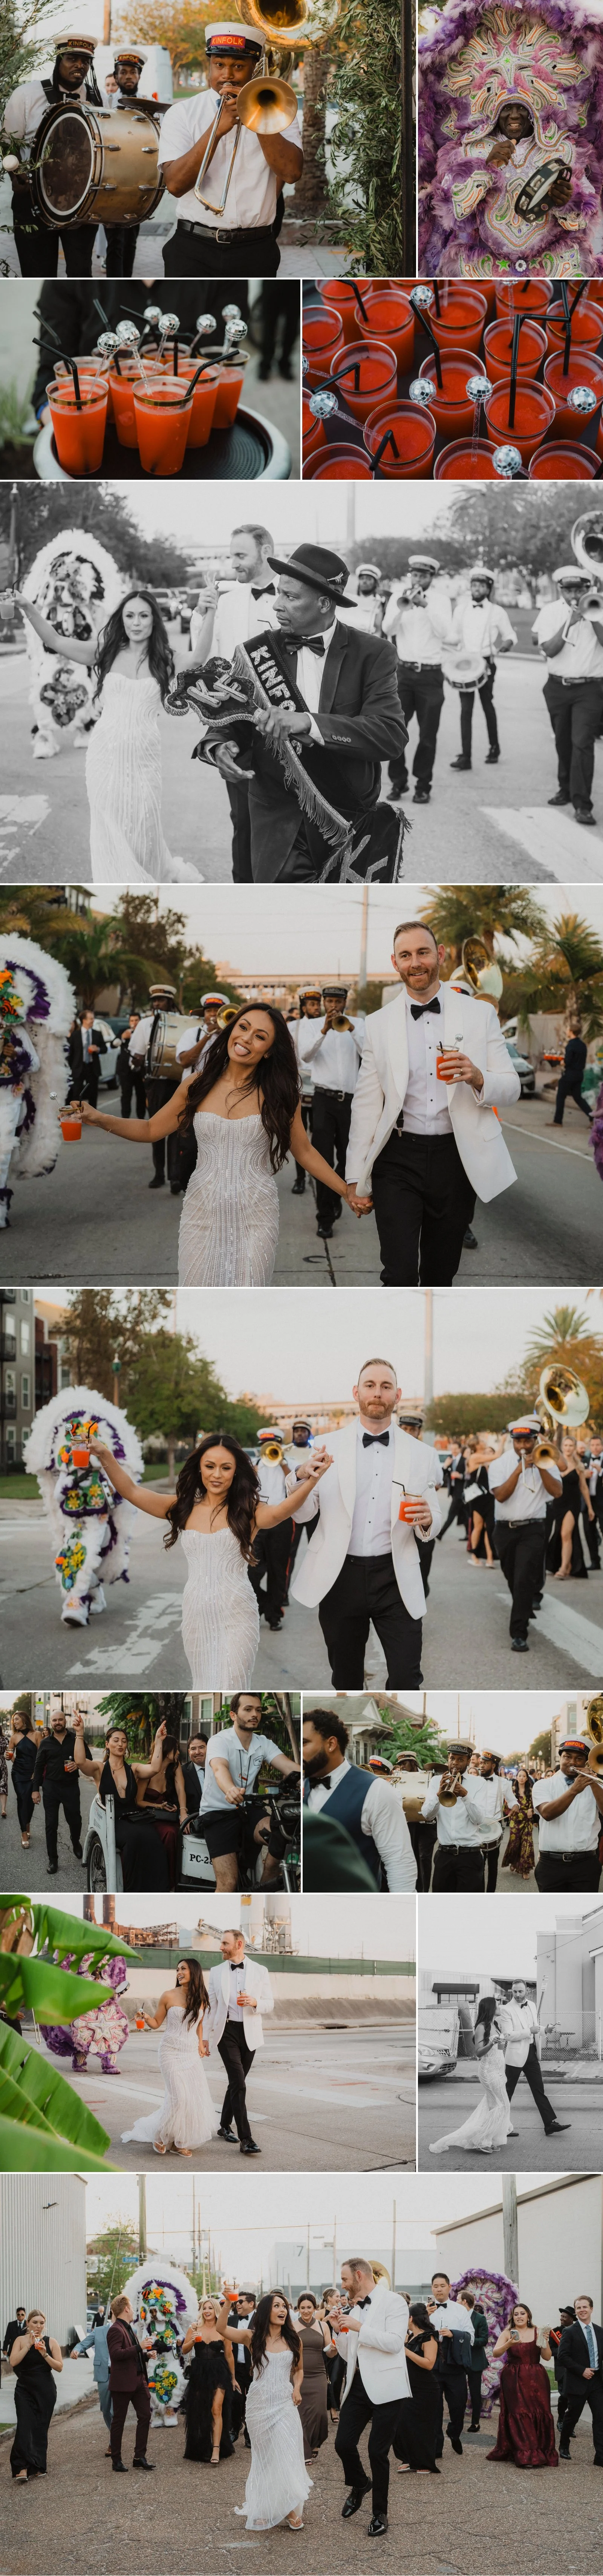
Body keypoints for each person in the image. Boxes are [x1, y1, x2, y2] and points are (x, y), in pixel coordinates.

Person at [80, 1001, 357, 1285]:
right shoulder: (196, 1085)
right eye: (243, 1028)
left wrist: (345, 1191)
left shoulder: (282, 1094)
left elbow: (305, 1151)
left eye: (260, 1036)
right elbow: (152, 1129)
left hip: (256, 1216)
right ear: (232, 1029)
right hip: (202, 1213)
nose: (246, 1039)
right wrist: (100, 1118)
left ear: (270, 1051)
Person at [200, 543, 408, 884]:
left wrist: (309, 722)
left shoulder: (374, 654)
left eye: (291, 597)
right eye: (279, 593)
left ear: (325, 603)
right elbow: (230, 722)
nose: (277, 604)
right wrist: (219, 746)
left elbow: (390, 735)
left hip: (347, 819)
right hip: (276, 821)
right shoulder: (255, 653)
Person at [346, 919, 520, 1285]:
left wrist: (476, 1076)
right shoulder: (376, 1024)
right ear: (395, 963)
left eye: (423, 952)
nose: (416, 962)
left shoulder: (480, 1014)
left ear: (439, 955)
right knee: (400, 1272)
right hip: (396, 1159)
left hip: (455, 1159)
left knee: (441, 1275)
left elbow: (512, 1088)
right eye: (405, 955)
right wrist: (353, 1176)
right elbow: (365, 1105)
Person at [87, 1430, 330, 1688]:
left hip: (238, 1613)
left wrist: (311, 1482)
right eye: (210, 1466)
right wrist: (103, 1453)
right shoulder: (183, 1508)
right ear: (200, 1468)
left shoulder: (249, 1510)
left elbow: (282, 1512)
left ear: (236, 1471)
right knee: (204, 1684)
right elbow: (132, 1492)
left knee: (234, 1684)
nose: (217, 1475)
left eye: (226, 1468)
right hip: (196, 1613)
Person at [12, 588, 197, 884]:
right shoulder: (106, 652)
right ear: (122, 620)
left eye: (143, 616)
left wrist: (210, 611)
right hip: (105, 758)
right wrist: (26, 606)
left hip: (145, 761)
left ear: (154, 621)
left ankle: (146, 891)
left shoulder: (166, 659)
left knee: (143, 828)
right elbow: (55, 641)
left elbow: (200, 657)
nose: (136, 623)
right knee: (110, 832)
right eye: (130, 616)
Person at [291, 1356, 440, 1688]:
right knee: (345, 1680)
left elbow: (434, 1512)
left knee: (407, 1677)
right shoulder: (325, 1446)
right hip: (340, 1576)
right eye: (370, 1386)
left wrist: (429, 1520)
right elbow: (303, 1514)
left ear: (397, 1395)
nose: (378, 1393)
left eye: (386, 1387)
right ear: (357, 1392)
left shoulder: (422, 1454)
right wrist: (300, 1478)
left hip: (396, 1577)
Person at [158, 22, 303, 279]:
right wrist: (217, 129)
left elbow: (292, 172)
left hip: (255, 248)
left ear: (254, 68)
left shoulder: (279, 110)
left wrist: (259, 119)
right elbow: (176, 185)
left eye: (238, 66)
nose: (227, 75)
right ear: (209, 66)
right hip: (193, 248)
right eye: (219, 65)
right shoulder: (181, 113)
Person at [188, 526, 280, 883]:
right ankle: (244, 884)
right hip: (236, 725)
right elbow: (204, 660)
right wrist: (202, 614)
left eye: (240, 556)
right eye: (232, 556)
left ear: (266, 552)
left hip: (284, 721)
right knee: (243, 820)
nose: (233, 564)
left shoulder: (291, 598)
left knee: (286, 817)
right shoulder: (225, 602)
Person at [3, 35, 102, 278]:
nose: (80, 65)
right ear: (59, 60)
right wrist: (16, 176)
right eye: (73, 59)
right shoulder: (27, 94)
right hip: (33, 200)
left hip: (81, 204)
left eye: (86, 61)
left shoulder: (99, 99)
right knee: (37, 272)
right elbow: (8, 142)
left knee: (81, 273)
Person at [216, 2287, 311, 2531]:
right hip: (259, 2404)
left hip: (284, 2403)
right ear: (267, 2310)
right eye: (277, 2306)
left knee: (285, 2454)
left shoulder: (294, 2339)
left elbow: (299, 2370)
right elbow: (222, 2329)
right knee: (267, 2459)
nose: (282, 2310)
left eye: (284, 2306)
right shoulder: (252, 2337)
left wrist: (297, 2388)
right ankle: (263, 2507)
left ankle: (290, 2509)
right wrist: (228, 2302)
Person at [331, 2257, 410, 2539]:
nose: (343, 2285)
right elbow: (347, 2354)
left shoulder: (395, 2302)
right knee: (342, 2444)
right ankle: (361, 2483)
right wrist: (338, 2330)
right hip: (359, 2386)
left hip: (388, 2387)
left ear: (360, 2276)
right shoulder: (354, 2309)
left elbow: (394, 2343)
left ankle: (380, 2514)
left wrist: (359, 2327)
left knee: (378, 2452)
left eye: (345, 2280)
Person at [303, 1709, 416, 1892]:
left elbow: (399, 1862)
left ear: (331, 1744)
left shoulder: (378, 1791)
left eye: (305, 1743)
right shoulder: (303, 1785)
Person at [199, 1694, 300, 1893]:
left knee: (282, 1833)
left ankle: (263, 1890)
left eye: (259, 1710)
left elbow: (290, 1767)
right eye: (248, 1709)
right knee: (228, 1884)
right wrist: (230, 1789)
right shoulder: (220, 1741)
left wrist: (313, 1782)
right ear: (233, 1715)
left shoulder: (263, 1743)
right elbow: (220, 1769)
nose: (255, 1714)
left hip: (248, 1810)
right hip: (218, 1814)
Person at [122, 1956, 214, 2157]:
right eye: (177, 1970)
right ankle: (161, 2135)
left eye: (184, 1969)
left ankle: (180, 2141)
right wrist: (145, 2017)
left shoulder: (203, 1998)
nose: (179, 1972)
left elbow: (199, 2024)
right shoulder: (168, 1996)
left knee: (190, 2099)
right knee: (179, 2097)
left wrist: (200, 2044)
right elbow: (156, 2024)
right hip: (170, 2052)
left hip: (190, 2054)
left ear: (195, 1972)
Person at [533, 565, 603, 829]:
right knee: (563, 741)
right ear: (561, 590)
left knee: (582, 743)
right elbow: (549, 651)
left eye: (580, 589)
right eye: (569, 589)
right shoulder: (550, 612)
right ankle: (565, 788)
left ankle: (583, 804)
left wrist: (593, 617)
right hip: (558, 687)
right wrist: (569, 623)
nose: (574, 594)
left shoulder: (600, 607)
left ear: (588, 589)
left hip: (590, 688)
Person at [295, 987, 365, 1242]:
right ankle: (325, 1218)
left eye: (338, 1001)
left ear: (346, 1002)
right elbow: (305, 1056)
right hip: (324, 1099)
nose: (333, 1006)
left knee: (350, 1158)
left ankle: (335, 1196)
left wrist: (352, 1030)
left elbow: (370, 1052)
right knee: (323, 1159)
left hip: (351, 1102)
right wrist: (324, 1030)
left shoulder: (357, 1023)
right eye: (330, 1001)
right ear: (324, 1003)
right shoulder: (313, 1025)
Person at [488, 1415, 563, 1653]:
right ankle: (523, 1607)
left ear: (535, 1440)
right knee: (513, 1577)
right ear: (512, 1441)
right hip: (505, 1530)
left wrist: (540, 1468)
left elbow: (558, 1492)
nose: (523, 1446)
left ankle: (519, 1633)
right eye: (518, 1441)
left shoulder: (547, 1460)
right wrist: (520, 1471)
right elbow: (500, 1495)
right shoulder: (500, 1464)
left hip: (533, 1529)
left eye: (527, 1441)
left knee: (522, 1579)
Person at [72, 1717, 172, 1892]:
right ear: (108, 1744)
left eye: (124, 1741)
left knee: (155, 1842)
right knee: (134, 1841)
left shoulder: (133, 1769)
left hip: (136, 1817)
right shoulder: (99, 1769)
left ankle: (157, 1889)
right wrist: (79, 1733)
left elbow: (155, 1769)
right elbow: (81, 1762)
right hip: (112, 1821)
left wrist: (158, 1741)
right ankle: (133, 1889)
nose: (121, 1744)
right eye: (116, 1740)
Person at [383, 557, 452, 806]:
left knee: (428, 735)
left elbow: (446, 633)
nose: (418, 580)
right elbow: (388, 629)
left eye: (423, 576)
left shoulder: (441, 601)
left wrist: (426, 606)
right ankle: (398, 781)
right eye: (415, 575)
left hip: (432, 675)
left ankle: (423, 786)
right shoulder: (397, 598)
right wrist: (403, 609)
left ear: (432, 578)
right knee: (396, 729)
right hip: (404, 673)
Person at [205, 1925, 274, 2156]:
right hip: (226, 2033)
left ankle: (224, 2126)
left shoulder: (260, 1970)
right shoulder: (216, 1972)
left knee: (237, 2082)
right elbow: (212, 2008)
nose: (221, 1947)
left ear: (239, 1945)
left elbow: (269, 2003)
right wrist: (205, 2038)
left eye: (225, 1944)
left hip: (250, 2033)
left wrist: (254, 2002)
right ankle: (247, 2138)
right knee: (239, 2083)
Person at [448, 567, 516, 772]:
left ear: (489, 588)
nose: (477, 589)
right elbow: (453, 635)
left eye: (481, 586)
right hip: (465, 663)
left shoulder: (497, 612)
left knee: (488, 706)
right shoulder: (461, 609)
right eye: (474, 585)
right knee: (466, 710)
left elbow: (511, 635)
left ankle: (494, 748)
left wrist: (506, 644)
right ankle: (466, 756)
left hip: (487, 662)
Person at [429, 1993, 512, 2158]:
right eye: (497, 2004)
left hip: (498, 2069)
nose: (500, 2007)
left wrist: (502, 2044)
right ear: (491, 2008)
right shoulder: (482, 2027)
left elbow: (499, 2052)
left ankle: (489, 2140)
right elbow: (479, 2053)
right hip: (488, 2071)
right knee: (502, 2106)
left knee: (494, 2106)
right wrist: (491, 2043)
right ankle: (482, 2140)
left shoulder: (495, 2024)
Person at [126, 983, 183, 1194]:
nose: (157, 1004)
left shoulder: (183, 1023)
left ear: (170, 1002)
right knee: (157, 1129)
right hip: (156, 1084)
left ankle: (176, 1176)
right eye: (155, 1001)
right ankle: (159, 1173)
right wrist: (138, 1062)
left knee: (177, 1129)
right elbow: (136, 1056)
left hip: (178, 1082)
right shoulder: (145, 1024)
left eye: (162, 1000)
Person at [498, 1977, 569, 2140]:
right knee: (507, 2093)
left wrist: (547, 2030)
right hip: (515, 2056)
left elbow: (536, 2027)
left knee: (539, 2090)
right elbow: (508, 2035)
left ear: (526, 1991)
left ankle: (550, 2124)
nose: (517, 1994)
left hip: (532, 2053)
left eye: (520, 1991)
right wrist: (529, 2030)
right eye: (515, 1991)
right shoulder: (507, 2010)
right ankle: (500, 2127)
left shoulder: (532, 2005)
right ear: (512, 1991)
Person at [487, 2303, 557, 2469]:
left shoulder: (538, 2331)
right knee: (519, 2413)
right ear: (513, 2317)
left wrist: (545, 2342)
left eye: (523, 2313)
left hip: (537, 2378)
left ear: (528, 2316)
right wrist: (509, 2344)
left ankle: (541, 2451)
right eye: (516, 2314)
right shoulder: (507, 2333)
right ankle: (525, 2453)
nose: (520, 2316)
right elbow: (496, 2353)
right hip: (513, 2378)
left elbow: (547, 2357)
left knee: (539, 2411)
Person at [531, 1735, 603, 1893]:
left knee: (585, 1915)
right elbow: (547, 1814)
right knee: (552, 1914)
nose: (572, 1762)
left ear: (586, 1762)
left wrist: (594, 1782)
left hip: (586, 1864)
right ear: (560, 1759)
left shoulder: (596, 1786)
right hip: (551, 1864)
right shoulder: (543, 1785)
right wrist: (574, 1790)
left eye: (579, 1758)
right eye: (567, 1757)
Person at [419, 1742, 488, 1894]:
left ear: (469, 1761)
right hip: (444, 1855)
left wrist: (465, 1795)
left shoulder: (479, 1783)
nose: (455, 1763)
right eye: (452, 1758)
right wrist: (439, 1795)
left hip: (470, 1856)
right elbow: (427, 1815)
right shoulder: (437, 1781)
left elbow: (479, 1820)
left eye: (461, 1760)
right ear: (448, 1759)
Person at [102, 51, 147, 276]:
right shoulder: (106, 103)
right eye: (123, 73)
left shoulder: (148, 104)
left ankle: (126, 279)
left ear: (139, 75)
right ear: (116, 76)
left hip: (138, 181)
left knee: (131, 241)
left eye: (133, 72)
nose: (128, 77)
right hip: (112, 179)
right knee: (115, 243)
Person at [31, 1706, 91, 1875]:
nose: (58, 1723)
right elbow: (38, 1766)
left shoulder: (76, 1739)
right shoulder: (45, 1743)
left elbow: (89, 1759)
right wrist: (36, 1789)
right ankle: (53, 1860)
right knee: (51, 1825)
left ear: (66, 1721)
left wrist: (77, 1764)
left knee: (76, 1820)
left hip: (71, 1786)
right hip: (51, 1787)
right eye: (55, 1720)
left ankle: (75, 1841)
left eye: (61, 1720)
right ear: (51, 1723)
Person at [8, 2310, 63, 2482]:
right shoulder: (20, 2340)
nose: (38, 2326)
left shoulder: (51, 2342)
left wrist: (45, 2354)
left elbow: (60, 2367)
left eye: (41, 2323)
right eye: (35, 2323)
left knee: (40, 2428)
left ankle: (38, 2465)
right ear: (28, 2323)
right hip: (24, 2390)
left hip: (46, 2391)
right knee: (25, 2426)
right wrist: (29, 2345)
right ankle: (22, 2467)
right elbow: (13, 2362)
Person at [181, 2298, 237, 2462]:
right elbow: (184, 2350)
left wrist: (233, 2378)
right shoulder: (194, 2327)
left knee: (216, 2409)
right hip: (199, 2372)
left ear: (216, 2311)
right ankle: (202, 2446)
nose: (207, 2311)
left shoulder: (223, 2330)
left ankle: (216, 2449)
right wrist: (192, 2340)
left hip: (219, 2371)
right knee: (200, 2410)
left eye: (211, 2308)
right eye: (204, 2308)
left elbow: (229, 2355)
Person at [136, 1729, 189, 1888]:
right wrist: (159, 1806)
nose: (179, 1752)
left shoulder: (175, 1767)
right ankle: (162, 1881)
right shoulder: (149, 1770)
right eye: (176, 1749)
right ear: (167, 1751)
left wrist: (183, 1812)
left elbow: (181, 1790)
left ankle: (176, 1881)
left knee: (179, 1832)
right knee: (168, 1834)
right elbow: (138, 1801)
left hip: (168, 1817)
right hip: (149, 1816)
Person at [428, 2274, 474, 2456]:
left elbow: (470, 2336)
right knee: (434, 2408)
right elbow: (412, 2333)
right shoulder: (425, 2311)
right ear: (432, 2289)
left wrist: (453, 2334)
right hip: (433, 2363)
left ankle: (455, 2433)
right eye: (435, 2286)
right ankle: (436, 2445)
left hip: (455, 2365)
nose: (439, 2289)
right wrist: (425, 2319)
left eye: (442, 2286)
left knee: (458, 2406)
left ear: (449, 2287)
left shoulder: (460, 2310)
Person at [107, 2294, 153, 2473]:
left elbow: (132, 2353)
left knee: (146, 2416)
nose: (133, 2310)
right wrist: (139, 2347)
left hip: (139, 2381)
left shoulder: (130, 2329)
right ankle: (116, 2460)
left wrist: (146, 2355)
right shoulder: (116, 2330)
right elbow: (116, 2355)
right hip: (123, 2383)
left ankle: (139, 2457)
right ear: (126, 2308)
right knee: (119, 2421)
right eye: (132, 2307)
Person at [394, 2302, 440, 2473]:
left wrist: (406, 2352)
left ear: (411, 2318)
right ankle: (409, 2459)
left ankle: (424, 2463)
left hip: (426, 2390)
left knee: (423, 2427)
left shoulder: (430, 2337)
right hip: (408, 2387)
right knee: (404, 2424)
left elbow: (429, 2364)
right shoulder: (410, 2337)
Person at [558, 2295, 603, 2464]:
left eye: (585, 2307)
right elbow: (563, 2357)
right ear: (576, 2312)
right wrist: (581, 2370)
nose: (582, 2310)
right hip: (578, 2381)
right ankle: (564, 2445)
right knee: (573, 2416)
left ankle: (600, 2456)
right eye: (579, 2308)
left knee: (600, 2418)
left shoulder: (600, 2331)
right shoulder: (569, 2331)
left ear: (592, 2309)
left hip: (597, 2382)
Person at [295, 2295, 335, 2463]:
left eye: (309, 2308)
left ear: (315, 2308)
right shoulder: (291, 2326)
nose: (306, 2311)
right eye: (302, 2308)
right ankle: (304, 2452)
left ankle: (315, 2442)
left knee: (320, 2413)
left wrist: (334, 2348)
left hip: (319, 2373)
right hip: (298, 2373)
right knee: (301, 2413)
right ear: (298, 2309)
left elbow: (330, 2353)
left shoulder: (323, 2325)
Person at [546, 1440, 593, 1580]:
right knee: (560, 1534)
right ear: (562, 1447)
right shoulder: (554, 1464)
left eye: (571, 1446)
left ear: (575, 1448)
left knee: (566, 1534)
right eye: (565, 1445)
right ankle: (568, 1564)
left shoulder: (579, 1466)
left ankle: (564, 1567)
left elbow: (584, 1488)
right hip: (558, 1503)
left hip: (573, 1504)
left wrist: (590, 1508)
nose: (568, 1448)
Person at [473, 1749, 519, 1893]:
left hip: (495, 1827)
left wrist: (515, 1806)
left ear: (494, 1765)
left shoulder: (503, 1783)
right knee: (478, 1865)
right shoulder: (474, 1782)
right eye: (481, 1763)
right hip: (476, 1825)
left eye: (485, 1763)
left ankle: (491, 1894)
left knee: (493, 1866)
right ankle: (479, 1894)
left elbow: (512, 1801)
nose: (481, 1766)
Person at [72, 2316, 112, 2433]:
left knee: (117, 2411)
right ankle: (114, 2434)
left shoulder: (131, 2330)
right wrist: (76, 2350)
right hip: (104, 2374)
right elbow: (83, 2344)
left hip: (121, 2375)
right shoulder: (99, 2331)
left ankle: (114, 2442)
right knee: (106, 2410)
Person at [549, 1020, 592, 1128]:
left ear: (572, 1032)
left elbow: (568, 1061)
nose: (567, 1031)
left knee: (560, 1096)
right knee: (578, 1098)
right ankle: (593, 1117)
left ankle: (558, 1121)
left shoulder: (571, 1045)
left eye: (568, 1030)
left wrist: (562, 1062)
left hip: (570, 1075)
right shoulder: (583, 1045)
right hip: (579, 1075)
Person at [227, 2293, 256, 2445]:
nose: (237, 2304)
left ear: (251, 2304)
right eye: (236, 2302)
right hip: (236, 2368)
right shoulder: (231, 2320)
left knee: (252, 2401)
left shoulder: (261, 2320)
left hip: (254, 2368)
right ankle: (234, 2429)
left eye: (241, 2302)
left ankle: (250, 2434)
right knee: (236, 2400)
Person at [458, 2293, 489, 2431]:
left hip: (476, 2361)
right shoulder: (457, 2317)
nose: (456, 2302)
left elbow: (484, 2340)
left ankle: (475, 2423)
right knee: (459, 2393)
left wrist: (469, 2340)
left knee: (475, 2393)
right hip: (459, 2360)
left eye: (458, 2300)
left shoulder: (480, 2319)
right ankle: (457, 2422)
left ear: (465, 2302)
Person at [502, 1765, 536, 1881]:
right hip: (515, 1822)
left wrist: (532, 1810)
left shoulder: (531, 1791)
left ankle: (525, 1870)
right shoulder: (512, 1791)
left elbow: (535, 1807)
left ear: (527, 1779)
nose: (522, 1778)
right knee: (515, 1844)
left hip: (527, 1823)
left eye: (524, 1776)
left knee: (527, 1845)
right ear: (517, 1777)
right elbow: (506, 1808)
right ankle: (514, 1862)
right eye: (520, 1776)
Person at [116, 1013, 146, 1121]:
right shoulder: (124, 1032)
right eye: (132, 1021)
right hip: (126, 1071)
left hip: (140, 1070)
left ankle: (141, 1118)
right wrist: (122, 1038)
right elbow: (113, 1044)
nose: (134, 1023)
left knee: (141, 1095)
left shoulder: (144, 1032)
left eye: (136, 1020)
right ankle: (125, 1119)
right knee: (126, 1095)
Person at [79, 1007, 107, 1109]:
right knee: (77, 1093)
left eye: (93, 1018)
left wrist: (98, 1049)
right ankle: (77, 1115)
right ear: (84, 1020)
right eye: (91, 1019)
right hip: (79, 1068)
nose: (93, 1021)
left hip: (92, 1067)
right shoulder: (76, 1035)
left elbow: (105, 1049)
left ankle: (93, 1115)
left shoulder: (97, 1034)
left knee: (93, 1093)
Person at [181, 1732, 209, 1818]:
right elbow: (176, 1799)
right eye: (193, 1749)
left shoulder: (219, 1769)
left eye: (201, 1748)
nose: (197, 1752)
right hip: (193, 1818)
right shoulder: (182, 1772)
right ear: (189, 1752)